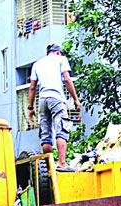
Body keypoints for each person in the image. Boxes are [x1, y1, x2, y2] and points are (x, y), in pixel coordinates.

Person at [28, 43, 82, 172]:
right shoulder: (61, 59)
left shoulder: (37, 64)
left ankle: (48, 167)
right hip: (56, 99)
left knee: (46, 134)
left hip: (42, 100)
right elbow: (67, 79)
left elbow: (32, 87)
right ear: (58, 52)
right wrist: (75, 99)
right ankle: (62, 163)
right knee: (61, 129)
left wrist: (30, 107)